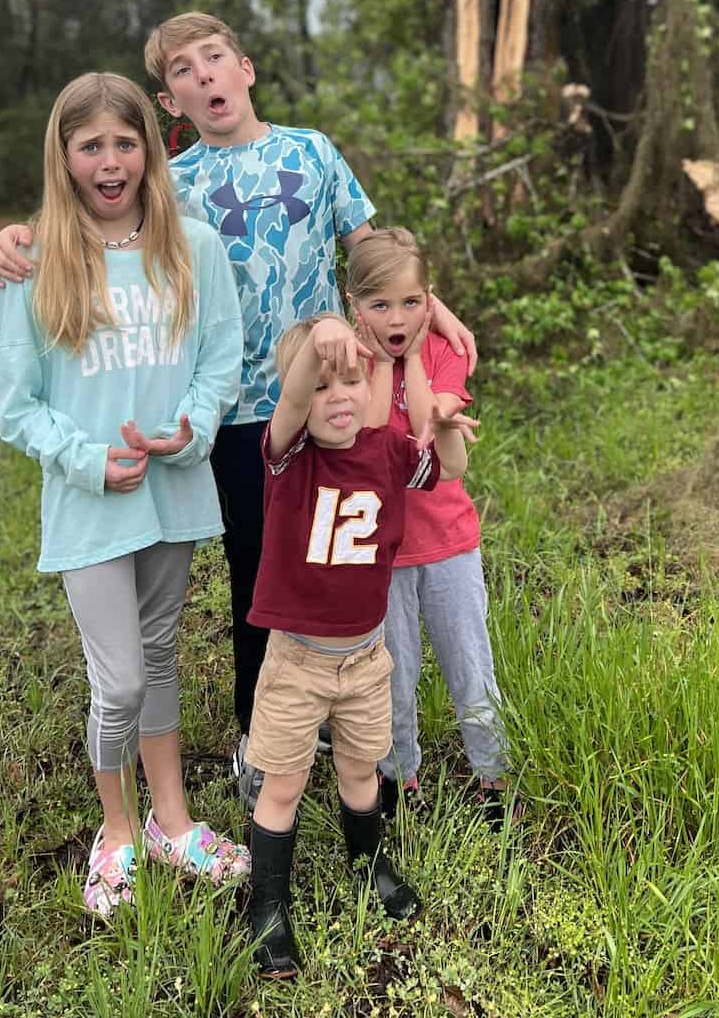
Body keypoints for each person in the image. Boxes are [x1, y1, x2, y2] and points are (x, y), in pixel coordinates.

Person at [0, 12, 477, 803]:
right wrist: (14, 241)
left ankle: (357, 725)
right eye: (183, 69)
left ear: (246, 68)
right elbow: (88, 227)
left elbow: (373, 253)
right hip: (232, 415)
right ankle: (262, 737)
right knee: (262, 576)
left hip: (330, 400)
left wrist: (432, 307)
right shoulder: (171, 184)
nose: (204, 76)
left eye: (215, 59)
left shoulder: (312, 152)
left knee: (344, 555)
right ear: (167, 101)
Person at [0, 73, 249, 917]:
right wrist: (89, 459)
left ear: (151, 150)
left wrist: (190, 427)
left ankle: (172, 821)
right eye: (91, 145)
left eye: (124, 144)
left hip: (172, 489)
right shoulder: (33, 261)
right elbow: (13, 402)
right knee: (122, 683)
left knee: (163, 654)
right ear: (64, 156)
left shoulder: (193, 246)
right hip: (90, 502)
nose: (109, 162)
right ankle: (118, 830)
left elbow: (220, 356)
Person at [245, 313, 478, 978]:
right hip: (298, 661)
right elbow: (290, 401)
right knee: (285, 784)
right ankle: (269, 905)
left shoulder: (387, 451)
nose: (339, 397)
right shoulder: (289, 459)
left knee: (360, 772)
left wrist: (450, 432)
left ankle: (370, 867)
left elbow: (449, 468)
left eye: (352, 381)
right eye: (324, 387)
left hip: (367, 659)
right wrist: (318, 346)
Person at [347, 228, 513, 827]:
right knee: (393, 676)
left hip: (447, 544)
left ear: (430, 301)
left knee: (471, 665)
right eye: (380, 305)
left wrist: (415, 360)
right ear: (354, 306)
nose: (397, 317)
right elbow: (370, 447)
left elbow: (425, 448)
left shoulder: (446, 352)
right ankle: (398, 777)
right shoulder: (354, 362)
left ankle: (493, 776)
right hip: (382, 553)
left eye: (411, 303)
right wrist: (388, 363)